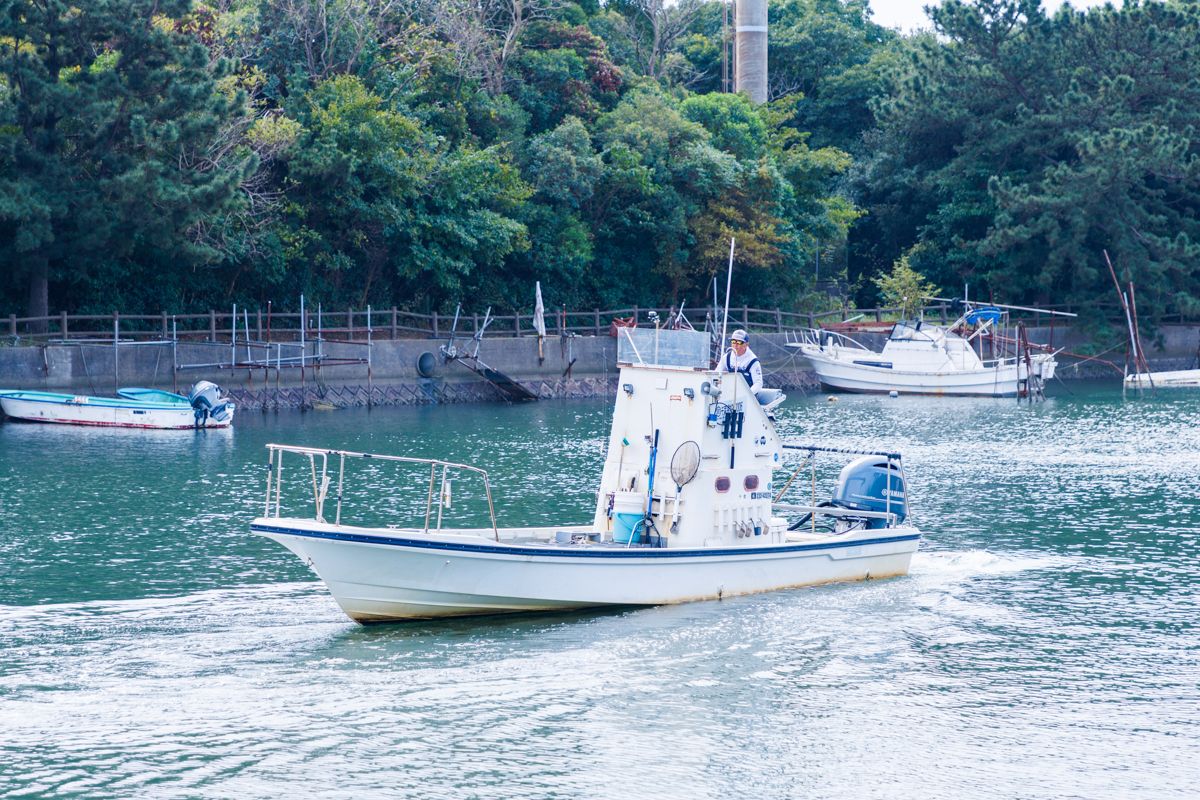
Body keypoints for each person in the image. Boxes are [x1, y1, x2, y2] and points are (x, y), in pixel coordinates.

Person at [723, 329, 763, 395]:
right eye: (733, 341)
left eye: (739, 342)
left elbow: (758, 383)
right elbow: (717, 374)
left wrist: (746, 395)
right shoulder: (726, 357)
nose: (735, 345)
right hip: (729, 394)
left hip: (748, 396)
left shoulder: (753, 360)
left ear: (746, 344)